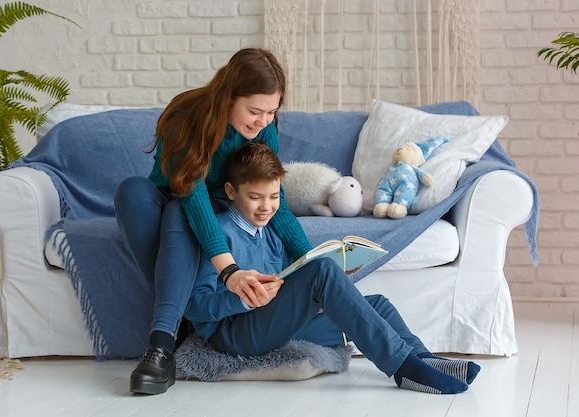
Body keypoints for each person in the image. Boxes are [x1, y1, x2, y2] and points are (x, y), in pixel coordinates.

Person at [184, 141, 481, 395]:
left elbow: (290, 283)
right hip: (235, 334)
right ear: (230, 191)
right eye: (255, 197)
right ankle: (403, 368)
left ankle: (423, 359)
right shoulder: (217, 236)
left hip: (272, 323)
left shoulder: (272, 233)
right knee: (321, 270)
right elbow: (195, 307)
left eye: (274, 197)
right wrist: (242, 298)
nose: (266, 207)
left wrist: (333, 287)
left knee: (377, 305)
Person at [114, 48, 313, 395]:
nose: (263, 121)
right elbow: (191, 194)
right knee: (134, 192)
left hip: (222, 207)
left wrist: (312, 259)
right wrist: (230, 271)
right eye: (254, 111)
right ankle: (176, 329)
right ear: (228, 97)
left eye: (271, 112)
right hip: (173, 199)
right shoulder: (186, 115)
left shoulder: (265, 129)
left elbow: (272, 198)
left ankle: (163, 341)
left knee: (181, 212)